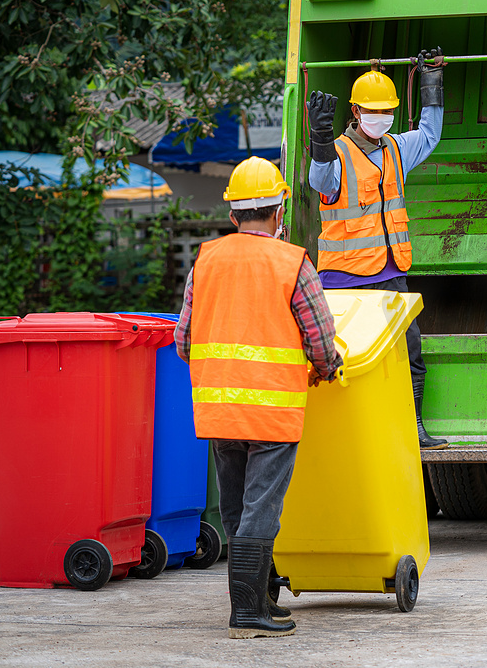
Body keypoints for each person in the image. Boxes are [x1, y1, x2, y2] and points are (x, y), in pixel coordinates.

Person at [175, 156, 343, 639]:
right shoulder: (293, 261)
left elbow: (183, 341)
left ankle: (260, 597)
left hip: (220, 411)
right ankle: (248, 613)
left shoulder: (204, 261)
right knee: (260, 509)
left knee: (235, 508)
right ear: (279, 211)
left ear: (233, 216)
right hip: (271, 412)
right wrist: (326, 370)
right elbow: (320, 339)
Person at [306, 47, 447, 449]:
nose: (381, 117)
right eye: (373, 110)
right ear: (355, 110)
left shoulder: (397, 148)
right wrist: (319, 140)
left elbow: (431, 134)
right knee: (346, 360)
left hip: (389, 275)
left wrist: (431, 80)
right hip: (343, 282)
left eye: (387, 111)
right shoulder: (336, 154)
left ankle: (414, 428)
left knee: (409, 355)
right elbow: (321, 182)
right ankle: (346, 437)